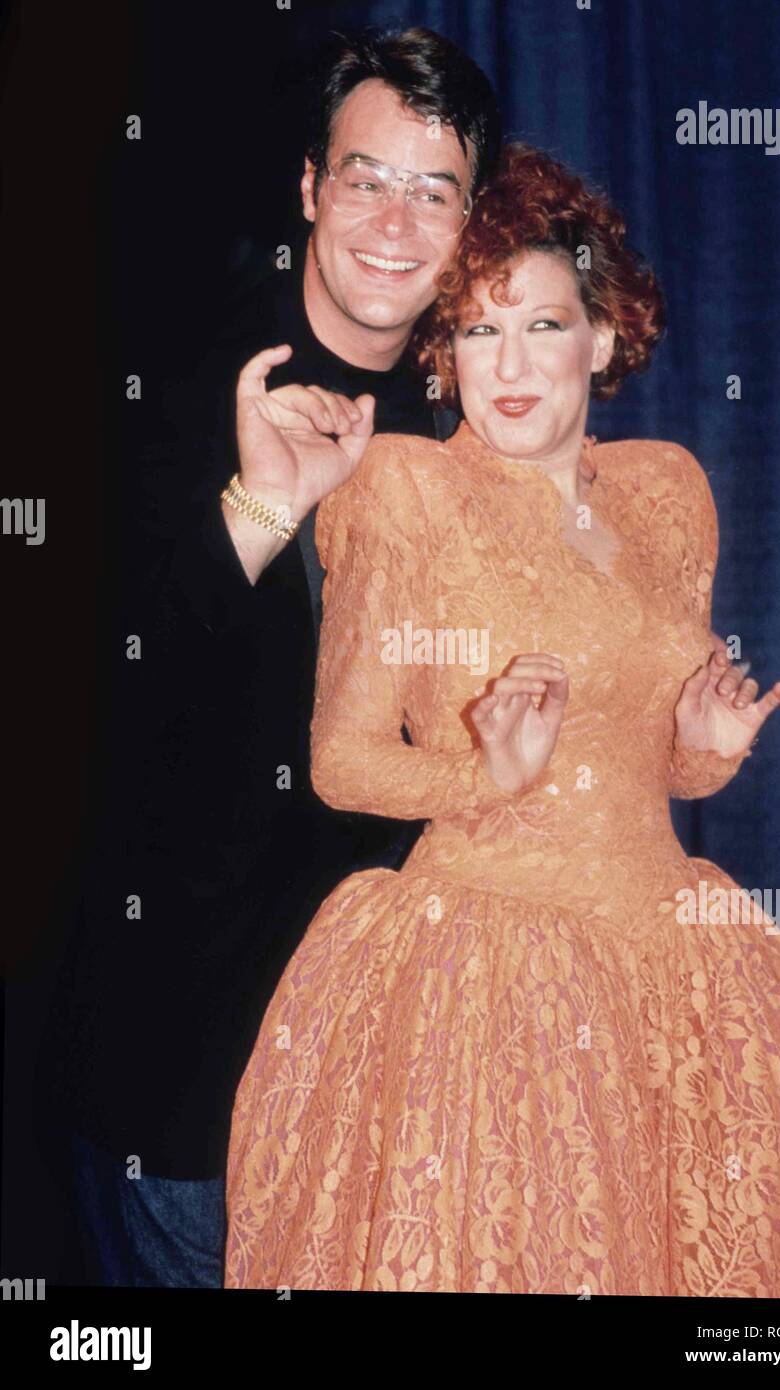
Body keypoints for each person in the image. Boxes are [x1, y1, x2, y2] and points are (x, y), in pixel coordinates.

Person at [224, 144, 780, 1295]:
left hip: (677, 971)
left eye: (540, 326)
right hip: (487, 969)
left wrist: (706, 750)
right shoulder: (407, 491)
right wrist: (485, 773)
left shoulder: (668, 491)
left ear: (604, 337)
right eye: (476, 331)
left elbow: (654, 750)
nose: (507, 364)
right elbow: (339, 761)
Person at [36, 26, 500, 1288]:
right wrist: (256, 509)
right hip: (185, 1064)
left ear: (470, 219)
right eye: (365, 177)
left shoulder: (483, 416)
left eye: (433, 190)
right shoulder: (167, 366)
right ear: (309, 187)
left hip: (387, 1064)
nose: (395, 224)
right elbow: (84, 696)